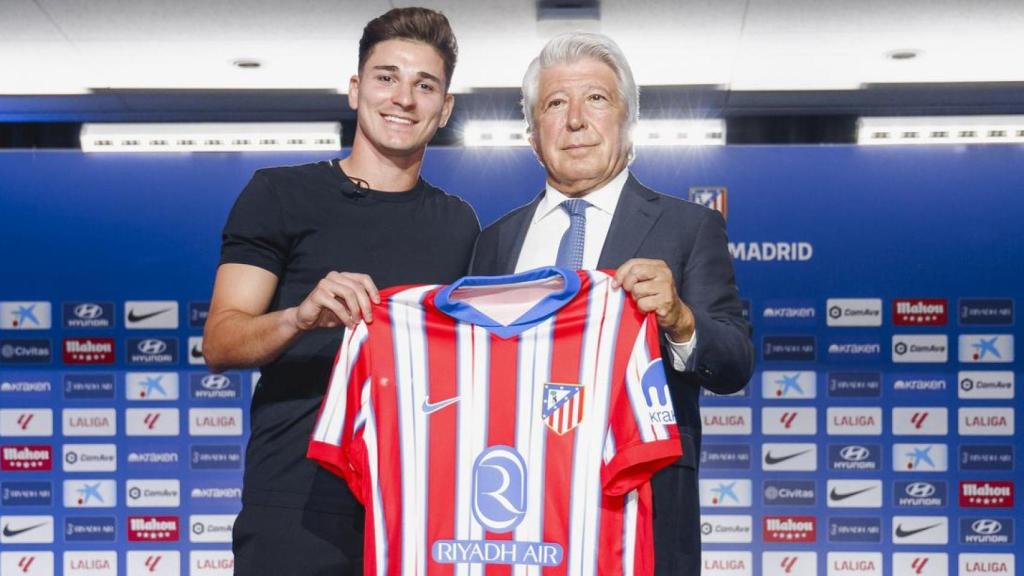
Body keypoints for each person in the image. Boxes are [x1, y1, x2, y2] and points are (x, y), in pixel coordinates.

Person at [203, 7, 479, 574]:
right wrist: (298, 318)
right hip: (297, 502)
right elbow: (221, 342)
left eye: (425, 85)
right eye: (386, 77)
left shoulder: (459, 224)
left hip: (419, 505)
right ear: (356, 90)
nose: (404, 98)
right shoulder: (279, 195)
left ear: (445, 108)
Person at [470, 32, 754, 575]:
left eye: (596, 99)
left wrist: (680, 320)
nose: (576, 120)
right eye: (555, 104)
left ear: (627, 121)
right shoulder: (494, 241)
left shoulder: (689, 227)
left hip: (638, 508)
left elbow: (734, 364)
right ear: (533, 136)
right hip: (515, 511)